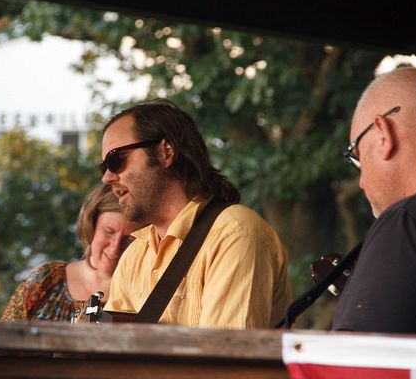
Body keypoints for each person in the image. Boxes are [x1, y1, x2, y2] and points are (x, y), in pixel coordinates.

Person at [100, 99, 292, 329]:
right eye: (104, 168)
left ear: (165, 152)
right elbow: (116, 356)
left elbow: (222, 356)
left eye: (115, 160)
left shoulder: (235, 233)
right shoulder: (134, 256)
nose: (107, 177)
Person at [332, 67, 416, 335]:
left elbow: (351, 372)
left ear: (384, 133)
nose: (360, 183)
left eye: (357, 155)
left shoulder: (410, 223)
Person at [1, 183, 142, 321]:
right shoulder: (46, 280)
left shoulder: (147, 294)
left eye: (129, 239)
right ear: (91, 226)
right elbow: (1, 339)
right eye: (109, 232)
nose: (115, 248)